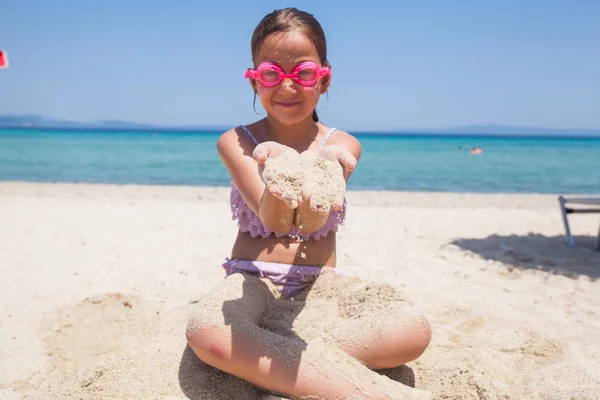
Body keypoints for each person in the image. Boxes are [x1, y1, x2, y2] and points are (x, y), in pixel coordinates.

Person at [186, 8, 431, 399]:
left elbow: (312, 220)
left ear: (324, 79)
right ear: (254, 82)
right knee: (206, 332)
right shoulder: (237, 142)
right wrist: (279, 172)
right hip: (253, 280)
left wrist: (326, 172)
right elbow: (277, 219)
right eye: (270, 73)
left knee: (413, 330)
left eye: (302, 73)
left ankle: (268, 362)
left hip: (321, 289)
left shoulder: (342, 145)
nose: (286, 86)